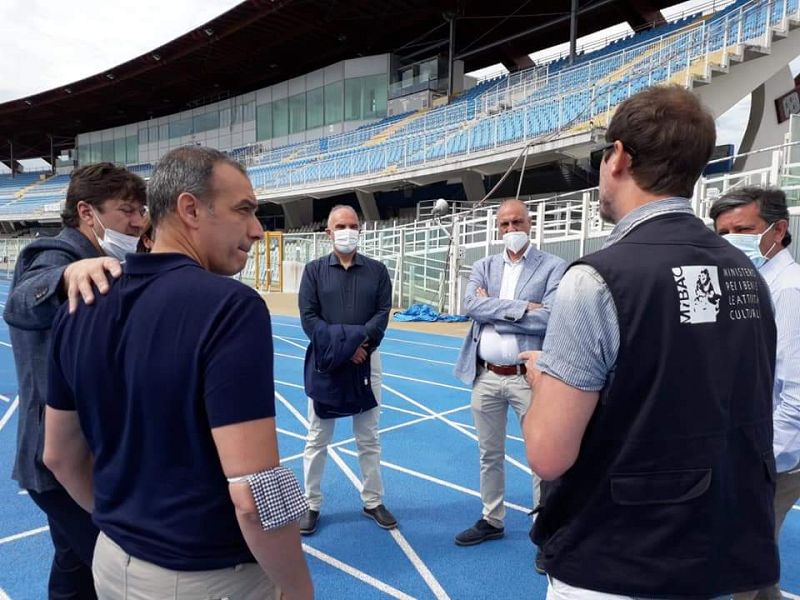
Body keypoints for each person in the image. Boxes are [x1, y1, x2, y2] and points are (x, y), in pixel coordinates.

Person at [521, 85, 779, 598]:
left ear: (618, 157)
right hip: (713, 549)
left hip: (616, 557)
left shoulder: (596, 279)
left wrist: (541, 379)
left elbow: (548, 454)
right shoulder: (748, 272)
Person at [42, 146, 313, 599]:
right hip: (207, 577)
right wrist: (299, 590)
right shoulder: (230, 308)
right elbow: (254, 490)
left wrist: (127, 527)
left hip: (110, 564)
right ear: (190, 209)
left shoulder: (81, 304)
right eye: (243, 210)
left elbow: (58, 457)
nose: (257, 230)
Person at [3, 162, 147, 599]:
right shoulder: (57, 255)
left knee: (72, 562)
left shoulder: (111, 261)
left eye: (141, 210)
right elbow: (23, 300)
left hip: (72, 459)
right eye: (127, 210)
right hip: (62, 464)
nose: (138, 221)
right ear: (87, 212)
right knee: (122, 567)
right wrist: (66, 277)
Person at [453, 199, 565, 554]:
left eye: (517, 222)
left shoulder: (552, 267)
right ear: (497, 228)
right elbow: (471, 306)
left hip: (528, 377)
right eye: (504, 224)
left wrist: (494, 309)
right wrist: (521, 308)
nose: (511, 230)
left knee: (540, 456)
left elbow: (550, 318)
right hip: (485, 376)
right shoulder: (483, 266)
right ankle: (492, 518)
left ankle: (543, 529)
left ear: (529, 224)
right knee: (489, 453)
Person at [711, 186, 800, 600]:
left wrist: (763, 461)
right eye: (723, 233)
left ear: (779, 229)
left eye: (743, 229)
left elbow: (795, 393)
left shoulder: (787, 290)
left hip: (771, 455)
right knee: (758, 569)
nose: (732, 241)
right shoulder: (748, 281)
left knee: (740, 562)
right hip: (746, 444)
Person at [297, 204, 395, 535]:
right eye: (340, 226)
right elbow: (309, 320)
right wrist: (344, 347)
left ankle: (373, 501)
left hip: (367, 362)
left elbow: (382, 314)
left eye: (352, 225)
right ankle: (310, 504)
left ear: (360, 230)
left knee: (368, 436)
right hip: (327, 363)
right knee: (317, 437)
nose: (347, 231)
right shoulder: (313, 271)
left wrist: (359, 346)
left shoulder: (378, 271)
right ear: (328, 232)